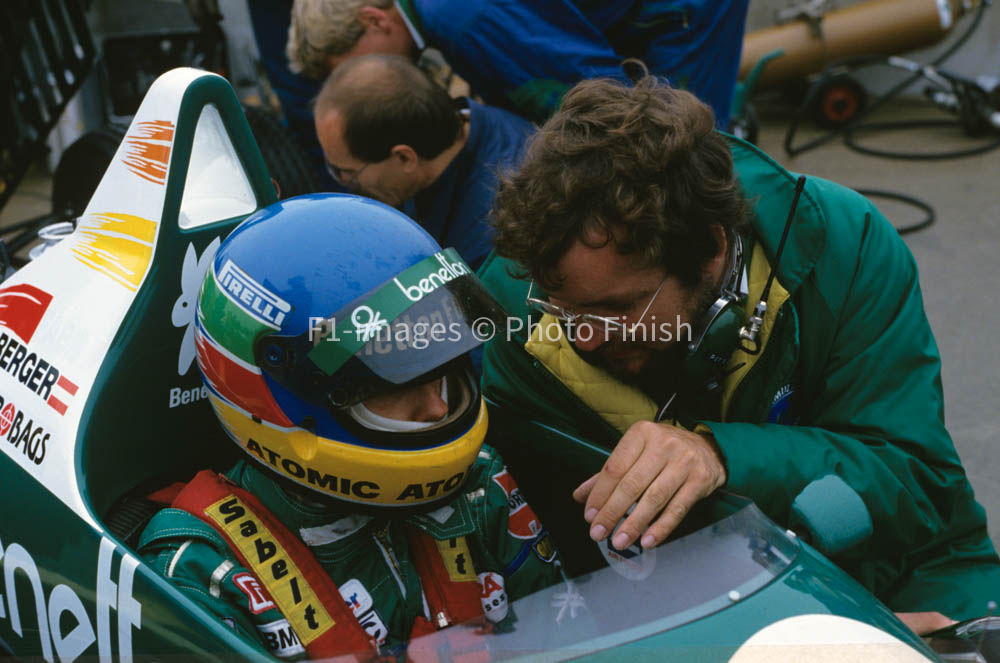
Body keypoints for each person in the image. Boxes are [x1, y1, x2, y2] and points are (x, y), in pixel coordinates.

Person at [478, 74, 1000, 625]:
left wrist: (720, 454)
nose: (583, 336)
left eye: (615, 311)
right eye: (565, 311)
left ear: (709, 250)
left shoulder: (846, 247)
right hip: (675, 612)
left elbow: (918, 482)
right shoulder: (514, 311)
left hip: (901, 578)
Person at [137, 194, 561, 660]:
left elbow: (576, 641)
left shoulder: (479, 486)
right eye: (392, 381)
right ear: (282, 402)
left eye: (441, 366)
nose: (439, 408)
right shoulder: (203, 573)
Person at [286, 0, 749, 127]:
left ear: (373, 20)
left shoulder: (462, 19)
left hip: (680, 13)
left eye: (349, 69)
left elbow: (601, 98)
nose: (356, 84)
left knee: (686, 137)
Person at [313, 55, 533, 269]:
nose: (342, 181)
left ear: (405, 158)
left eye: (348, 173)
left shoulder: (491, 238)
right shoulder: (469, 121)